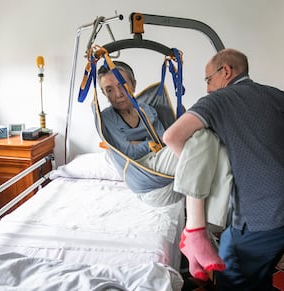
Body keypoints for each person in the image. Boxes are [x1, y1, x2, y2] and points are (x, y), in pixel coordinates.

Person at [163, 48, 284, 290]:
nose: (207, 88)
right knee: (255, 267)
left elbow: (172, 137)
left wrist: (206, 171)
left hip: (266, 211)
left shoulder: (217, 101)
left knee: (233, 272)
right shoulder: (279, 96)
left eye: (208, 79)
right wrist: (277, 135)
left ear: (226, 71)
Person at [97, 61, 233, 281]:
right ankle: (200, 233)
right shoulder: (105, 118)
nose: (117, 94)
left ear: (133, 84)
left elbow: (163, 141)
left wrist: (142, 143)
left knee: (218, 146)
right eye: (108, 90)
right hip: (143, 176)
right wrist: (148, 144)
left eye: (121, 85)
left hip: (170, 176)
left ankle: (205, 231)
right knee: (205, 138)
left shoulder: (148, 110)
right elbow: (127, 151)